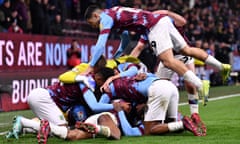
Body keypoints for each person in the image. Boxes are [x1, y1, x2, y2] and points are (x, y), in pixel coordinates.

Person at [83, 5, 231, 96]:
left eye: (91, 23)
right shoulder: (114, 12)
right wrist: (118, 55)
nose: (93, 26)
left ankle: (199, 84)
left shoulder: (105, 19)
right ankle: (222, 66)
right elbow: (126, 39)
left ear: (96, 15)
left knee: (168, 61)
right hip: (162, 20)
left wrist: (90, 66)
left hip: (153, 26)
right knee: (186, 49)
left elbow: (100, 45)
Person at [130, 9, 209, 133]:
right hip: (167, 59)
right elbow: (139, 47)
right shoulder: (148, 28)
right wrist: (128, 62)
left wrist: (167, 12)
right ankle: (168, 118)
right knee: (160, 85)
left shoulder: (168, 22)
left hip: (183, 53)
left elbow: (182, 21)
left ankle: (195, 114)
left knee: (190, 82)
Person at [99, 68, 204, 136]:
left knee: (149, 131)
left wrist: (118, 108)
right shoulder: (129, 77)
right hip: (169, 86)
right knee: (170, 125)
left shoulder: (111, 88)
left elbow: (96, 106)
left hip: (158, 89)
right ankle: (188, 123)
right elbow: (134, 69)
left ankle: (183, 124)